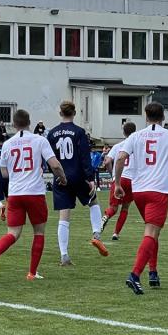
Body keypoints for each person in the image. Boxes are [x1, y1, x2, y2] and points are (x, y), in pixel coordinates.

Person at [114, 102, 168, 294]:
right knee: (151, 232)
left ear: (146, 117)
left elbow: (120, 158)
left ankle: (153, 272)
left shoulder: (135, 136)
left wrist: (117, 183)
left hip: (139, 191)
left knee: (153, 232)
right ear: (163, 117)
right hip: (158, 190)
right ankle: (135, 274)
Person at [0, 109, 68, 281]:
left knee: (13, 233)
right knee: (39, 232)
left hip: (15, 193)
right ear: (30, 122)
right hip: (34, 193)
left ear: (13, 124)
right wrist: (62, 178)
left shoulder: (7, 144)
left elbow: (3, 173)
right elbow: (54, 165)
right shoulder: (39, 140)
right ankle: (32, 272)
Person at [46, 100, 108, 266]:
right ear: (74, 113)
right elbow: (84, 156)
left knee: (64, 216)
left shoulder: (52, 133)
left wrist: (55, 174)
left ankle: (64, 255)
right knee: (93, 202)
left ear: (60, 113)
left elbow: (48, 158)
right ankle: (96, 233)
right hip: (78, 175)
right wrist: (90, 178)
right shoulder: (79, 132)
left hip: (61, 177)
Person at [101, 122, 136, 241]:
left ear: (123, 132)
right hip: (130, 180)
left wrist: (113, 175)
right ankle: (116, 233)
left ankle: (106, 216)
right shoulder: (137, 146)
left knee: (113, 207)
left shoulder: (118, 146)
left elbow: (107, 161)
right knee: (125, 208)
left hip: (119, 178)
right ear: (135, 131)